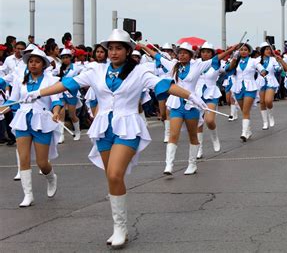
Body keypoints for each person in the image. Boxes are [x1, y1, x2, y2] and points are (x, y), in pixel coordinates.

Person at [26, 29, 205, 249]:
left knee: (114, 173)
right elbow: (68, 83)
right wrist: (39, 93)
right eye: (110, 48)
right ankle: (118, 225)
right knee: (111, 178)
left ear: (128, 51)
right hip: (103, 128)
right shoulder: (95, 70)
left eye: (118, 48)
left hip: (128, 127)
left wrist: (191, 96)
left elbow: (164, 85)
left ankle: (121, 228)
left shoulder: (139, 72)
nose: (113, 52)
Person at [140, 41, 237, 175]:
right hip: (176, 104)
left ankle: (192, 164)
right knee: (174, 134)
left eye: (185, 53)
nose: (182, 55)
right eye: (180, 53)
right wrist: (145, 47)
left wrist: (231, 50)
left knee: (193, 135)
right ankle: (169, 165)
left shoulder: (198, 65)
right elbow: (157, 57)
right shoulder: (173, 64)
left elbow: (216, 59)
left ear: (190, 55)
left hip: (191, 105)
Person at [3, 49, 62, 207]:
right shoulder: (20, 80)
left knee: (42, 163)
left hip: (42, 121)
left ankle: (51, 178)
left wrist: (56, 113)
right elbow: (12, 101)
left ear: (43, 64)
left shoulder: (50, 80)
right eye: (30, 61)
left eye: (37, 61)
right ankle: (28, 195)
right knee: (23, 159)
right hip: (23, 120)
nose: (33, 64)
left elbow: (56, 101)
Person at [226, 43, 266, 142]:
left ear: (249, 52)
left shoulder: (253, 61)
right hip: (238, 88)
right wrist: (234, 59)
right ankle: (248, 131)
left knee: (246, 110)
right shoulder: (236, 60)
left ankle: (244, 133)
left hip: (250, 87)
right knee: (243, 110)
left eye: (245, 50)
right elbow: (228, 69)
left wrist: (263, 71)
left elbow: (260, 67)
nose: (243, 51)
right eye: (241, 50)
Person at [195, 42, 226, 157]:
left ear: (212, 53)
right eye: (203, 52)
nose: (205, 54)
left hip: (211, 94)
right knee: (198, 123)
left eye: (208, 52)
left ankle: (214, 137)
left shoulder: (216, 63)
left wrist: (232, 54)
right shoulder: (196, 63)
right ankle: (199, 149)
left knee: (209, 120)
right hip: (197, 94)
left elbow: (226, 67)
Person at [58, 49, 82, 142]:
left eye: (67, 57)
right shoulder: (59, 68)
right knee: (61, 114)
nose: (65, 59)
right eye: (63, 58)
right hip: (61, 92)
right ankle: (61, 135)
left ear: (70, 58)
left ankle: (77, 131)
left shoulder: (76, 67)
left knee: (72, 115)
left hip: (72, 93)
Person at [256, 42, 281, 130]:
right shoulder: (257, 60)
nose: (269, 51)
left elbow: (277, 68)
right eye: (266, 49)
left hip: (271, 80)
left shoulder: (273, 59)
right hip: (260, 81)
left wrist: (279, 67)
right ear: (262, 50)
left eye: (269, 49)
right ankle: (265, 122)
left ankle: (270, 116)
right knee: (262, 102)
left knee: (268, 101)